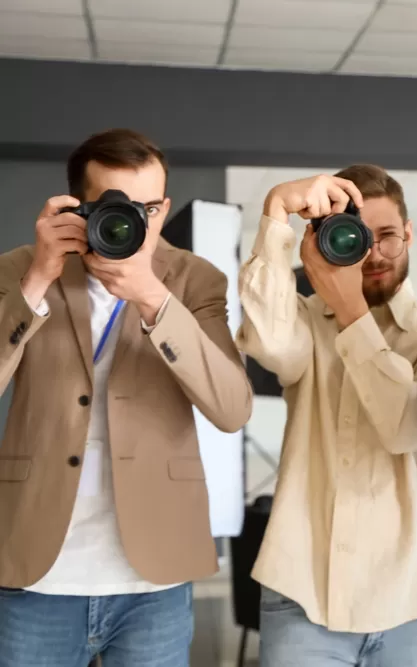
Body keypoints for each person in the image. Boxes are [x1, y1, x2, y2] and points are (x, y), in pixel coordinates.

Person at [0, 128, 253, 667]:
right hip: (36, 561)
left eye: (147, 208)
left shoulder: (193, 278)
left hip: (153, 571)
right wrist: (39, 277)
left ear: (162, 207)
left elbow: (232, 409)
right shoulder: (17, 269)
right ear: (78, 205)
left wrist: (153, 299)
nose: (133, 222)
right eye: (115, 207)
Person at [236, 165, 417, 667]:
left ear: (410, 235)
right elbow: (268, 342)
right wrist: (275, 210)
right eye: (359, 237)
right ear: (331, 240)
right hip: (302, 590)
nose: (375, 254)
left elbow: (405, 428)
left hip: (412, 598)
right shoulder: (307, 321)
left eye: (389, 237)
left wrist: (351, 308)